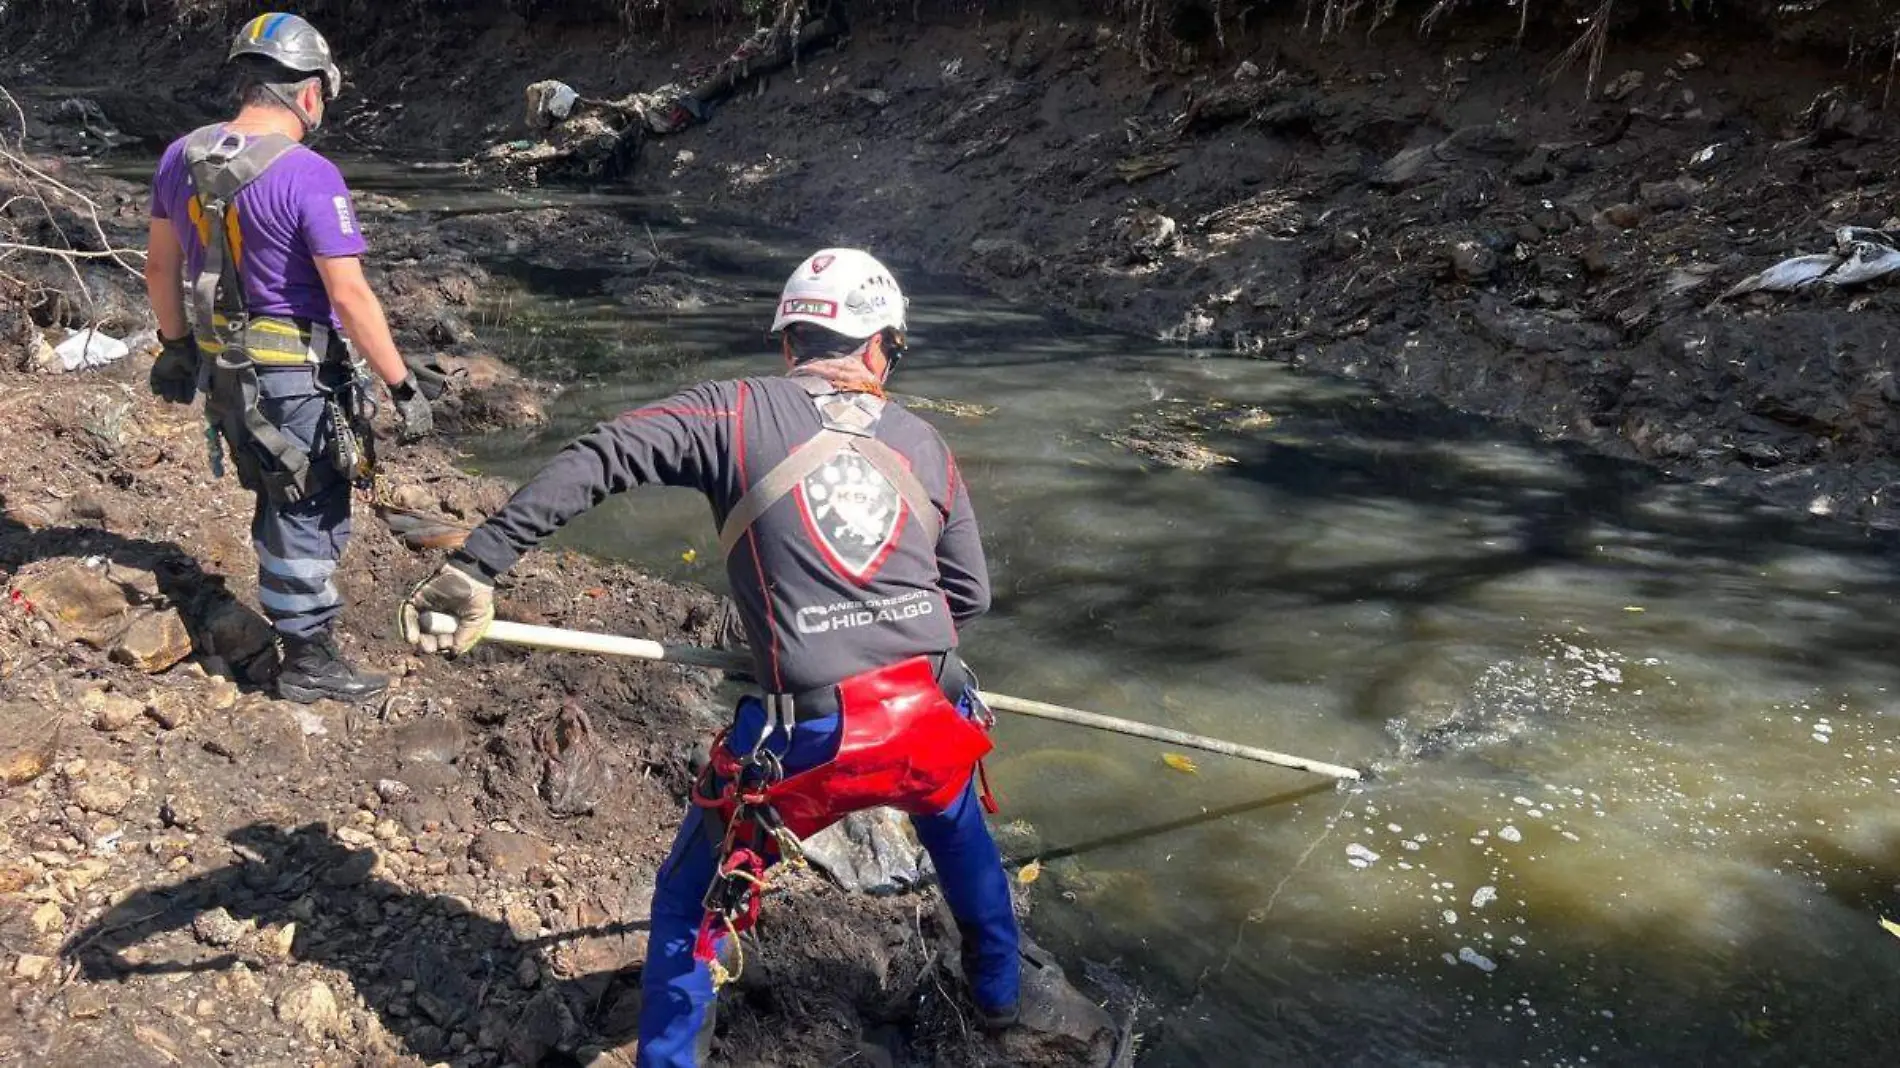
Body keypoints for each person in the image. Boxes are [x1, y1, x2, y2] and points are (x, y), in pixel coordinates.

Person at [400, 249, 1021, 1065]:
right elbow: (965, 597)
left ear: (790, 341)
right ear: (879, 347)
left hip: (805, 736)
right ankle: (1001, 995)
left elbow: (600, 457)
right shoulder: (927, 444)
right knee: (957, 828)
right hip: (929, 709)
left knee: (690, 902)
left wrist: (475, 565)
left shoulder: (731, 413)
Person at [143, 13, 438, 703]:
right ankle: (307, 658)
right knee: (306, 504)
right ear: (309, 92)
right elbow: (351, 294)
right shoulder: (311, 175)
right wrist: (401, 386)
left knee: (277, 493)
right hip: (294, 379)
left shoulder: (180, 156)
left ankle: (296, 632)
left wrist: (176, 348)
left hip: (225, 374)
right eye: (323, 99)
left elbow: (160, 268)